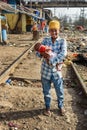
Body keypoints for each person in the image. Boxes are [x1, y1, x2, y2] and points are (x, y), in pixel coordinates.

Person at [34, 20, 67, 116]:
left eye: (55, 30)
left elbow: (63, 54)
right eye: (52, 30)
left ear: (59, 30)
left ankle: (61, 106)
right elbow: (37, 53)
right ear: (49, 31)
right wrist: (42, 54)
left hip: (57, 72)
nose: (54, 32)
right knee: (46, 91)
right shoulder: (45, 40)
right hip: (45, 71)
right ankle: (47, 107)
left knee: (59, 90)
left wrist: (51, 60)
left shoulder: (62, 41)